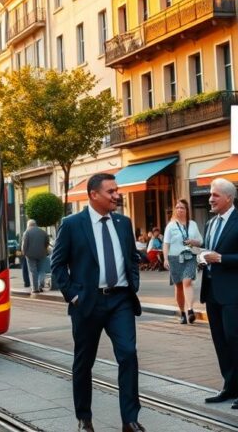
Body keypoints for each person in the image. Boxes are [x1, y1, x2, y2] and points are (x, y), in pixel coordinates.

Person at [50, 173, 144, 432]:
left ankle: (129, 419)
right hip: (88, 303)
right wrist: (73, 294)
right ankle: (84, 418)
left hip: (121, 301)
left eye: (117, 190)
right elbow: (57, 264)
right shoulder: (72, 224)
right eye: (111, 191)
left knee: (128, 356)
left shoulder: (123, 223)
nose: (117, 195)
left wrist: (132, 282)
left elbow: (131, 256)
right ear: (94, 195)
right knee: (84, 361)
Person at [199, 178, 238, 410]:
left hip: (232, 290)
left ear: (228, 198)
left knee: (234, 337)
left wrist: (221, 258)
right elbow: (208, 249)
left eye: (214, 195)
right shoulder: (210, 223)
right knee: (219, 340)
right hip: (211, 289)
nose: (210, 199)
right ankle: (229, 386)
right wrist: (202, 258)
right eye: (210, 195)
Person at [162, 199, 203, 324]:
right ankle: (182, 312)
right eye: (177, 207)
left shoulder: (193, 224)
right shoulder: (171, 225)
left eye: (182, 208)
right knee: (179, 286)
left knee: (187, 281)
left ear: (186, 210)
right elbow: (166, 244)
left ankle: (190, 309)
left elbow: (200, 241)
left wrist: (192, 241)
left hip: (189, 257)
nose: (180, 209)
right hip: (174, 258)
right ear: (175, 210)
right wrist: (165, 259)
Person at [21, 219, 50, 293]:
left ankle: (35, 288)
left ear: (29, 225)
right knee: (41, 270)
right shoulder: (43, 232)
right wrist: (44, 249)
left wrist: (24, 252)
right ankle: (41, 285)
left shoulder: (27, 232)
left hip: (30, 255)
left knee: (33, 271)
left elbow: (24, 244)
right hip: (42, 254)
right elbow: (47, 242)